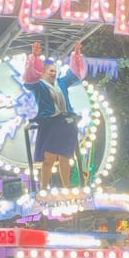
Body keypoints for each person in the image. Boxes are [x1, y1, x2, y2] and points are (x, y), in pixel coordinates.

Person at [22, 40, 87, 188]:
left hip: (66, 122)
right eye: (50, 71)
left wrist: (77, 56)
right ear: (42, 72)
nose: (53, 73)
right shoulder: (38, 85)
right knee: (49, 158)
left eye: (55, 71)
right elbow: (29, 79)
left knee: (65, 157)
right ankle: (43, 187)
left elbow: (76, 75)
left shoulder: (62, 83)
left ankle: (67, 186)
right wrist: (33, 58)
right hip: (50, 123)